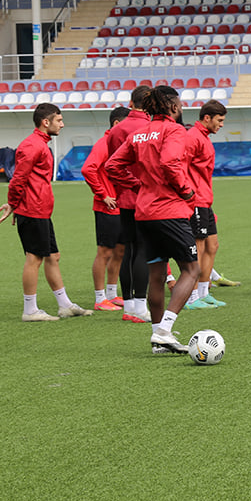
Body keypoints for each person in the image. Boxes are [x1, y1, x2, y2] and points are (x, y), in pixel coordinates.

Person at [105, 86, 199, 354]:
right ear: (171, 105)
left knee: (156, 275)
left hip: (144, 212)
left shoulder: (139, 132)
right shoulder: (174, 130)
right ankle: (164, 330)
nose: (181, 107)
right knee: (192, 270)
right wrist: (187, 191)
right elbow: (170, 163)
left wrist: (139, 185)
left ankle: (159, 340)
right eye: (179, 103)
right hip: (170, 210)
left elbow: (112, 166)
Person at [0, 103, 93, 321]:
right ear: (45, 122)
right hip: (32, 210)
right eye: (59, 120)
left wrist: (14, 204)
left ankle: (65, 305)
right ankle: (30, 310)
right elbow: (18, 179)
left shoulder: (40, 143)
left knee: (52, 256)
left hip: (41, 210)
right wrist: (13, 203)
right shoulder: (32, 145)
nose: (63, 124)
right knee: (34, 258)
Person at [104, 84, 154, 323]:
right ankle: (141, 306)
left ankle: (129, 305)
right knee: (143, 250)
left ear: (131, 103)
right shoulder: (152, 128)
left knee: (128, 250)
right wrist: (139, 184)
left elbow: (113, 165)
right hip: (147, 197)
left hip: (124, 197)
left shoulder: (117, 130)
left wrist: (128, 184)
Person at [83, 105, 129, 311]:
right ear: (117, 124)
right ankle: (100, 298)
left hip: (122, 206)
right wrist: (103, 194)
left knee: (120, 251)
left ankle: (112, 294)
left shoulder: (121, 144)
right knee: (105, 252)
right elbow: (88, 168)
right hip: (107, 207)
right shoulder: (105, 143)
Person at [184, 100, 228, 310]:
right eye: (219, 121)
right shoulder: (193, 137)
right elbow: (181, 166)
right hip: (195, 200)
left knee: (212, 245)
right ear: (207, 118)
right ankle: (192, 297)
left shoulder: (204, 138)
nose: (221, 125)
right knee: (199, 247)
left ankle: (204, 292)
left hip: (205, 200)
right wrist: (189, 193)